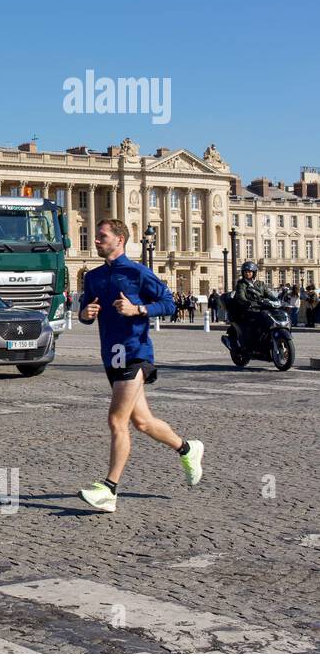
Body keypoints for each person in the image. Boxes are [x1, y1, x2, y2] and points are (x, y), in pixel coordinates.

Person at [76, 219, 203, 513]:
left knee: (116, 420)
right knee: (142, 422)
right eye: (96, 236)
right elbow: (84, 313)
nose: (96, 240)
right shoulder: (92, 277)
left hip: (136, 352)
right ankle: (187, 448)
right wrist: (86, 313)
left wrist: (139, 309)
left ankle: (109, 489)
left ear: (119, 240)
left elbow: (169, 303)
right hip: (111, 354)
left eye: (101, 236)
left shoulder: (138, 273)